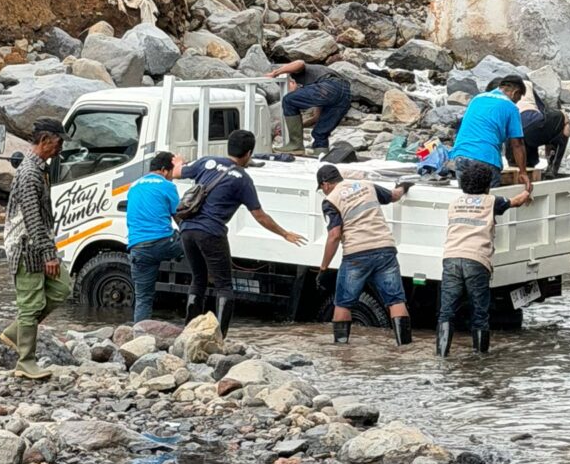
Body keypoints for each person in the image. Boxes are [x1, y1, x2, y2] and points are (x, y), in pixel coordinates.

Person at [175, 129, 306, 335]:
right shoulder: (242, 178)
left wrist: (179, 161)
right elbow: (259, 215)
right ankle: (219, 336)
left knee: (198, 279)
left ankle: (189, 333)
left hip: (187, 229)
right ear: (249, 153)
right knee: (224, 286)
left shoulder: (207, 161)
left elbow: (176, 172)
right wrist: (284, 233)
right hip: (211, 232)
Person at [436, 159, 531, 357]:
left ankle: (442, 356)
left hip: (451, 258)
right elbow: (517, 201)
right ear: (488, 185)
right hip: (477, 260)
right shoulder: (491, 202)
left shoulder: (454, 203)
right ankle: (480, 359)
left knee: (446, 312)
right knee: (480, 313)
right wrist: (528, 189)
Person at [1, 117, 72, 380]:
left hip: (37, 244)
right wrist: (48, 254)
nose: (60, 148)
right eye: (58, 142)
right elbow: (32, 217)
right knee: (30, 304)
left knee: (63, 287)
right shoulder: (29, 173)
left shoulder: (38, 168)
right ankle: (25, 361)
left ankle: (15, 332)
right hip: (25, 248)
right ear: (45, 141)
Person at [315, 164, 412, 346]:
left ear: (325, 184)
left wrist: (323, 267)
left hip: (356, 255)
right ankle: (405, 348)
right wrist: (405, 186)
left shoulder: (331, 200)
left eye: (321, 189)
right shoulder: (366, 185)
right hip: (385, 249)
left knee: (343, 303)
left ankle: (341, 352)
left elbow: (335, 235)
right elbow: (394, 196)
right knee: (396, 300)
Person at [126, 151, 185, 324]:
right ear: (165, 170)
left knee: (143, 297)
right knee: (191, 240)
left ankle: (140, 337)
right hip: (163, 243)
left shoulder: (134, 185)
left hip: (138, 247)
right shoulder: (167, 186)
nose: (172, 178)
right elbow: (179, 217)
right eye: (172, 174)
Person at [450, 75, 530, 191]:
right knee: (488, 204)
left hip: (461, 156)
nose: (516, 102)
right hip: (485, 159)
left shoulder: (477, 98)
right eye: (518, 98)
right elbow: (517, 144)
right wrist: (523, 173)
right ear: (515, 92)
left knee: (467, 201)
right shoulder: (511, 107)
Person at [267, 59, 352, 157]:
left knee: (288, 100)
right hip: (345, 92)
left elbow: (299, 63)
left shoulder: (299, 72)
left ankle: (295, 145)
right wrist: (298, 126)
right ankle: (321, 152)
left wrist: (275, 73)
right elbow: (316, 117)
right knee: (320, 131)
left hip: (329, 85)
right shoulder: (316, 82)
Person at [509, 80, 570, 179]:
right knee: (563, 119)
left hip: (512, 139)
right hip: (529, 125)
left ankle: (526, 167)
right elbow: (543, 112)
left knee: (524, 160)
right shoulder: (526, 84)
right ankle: (552, 168)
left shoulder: (500, 93)